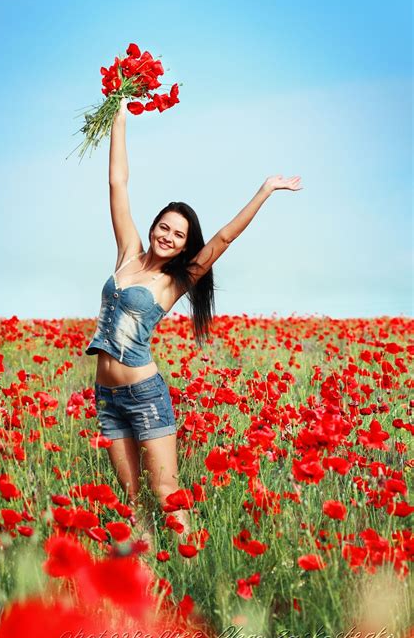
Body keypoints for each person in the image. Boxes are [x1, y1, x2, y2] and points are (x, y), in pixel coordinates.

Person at [85, 97, 302, 546]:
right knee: (130, 497)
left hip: (145, 394)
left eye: (178, 235)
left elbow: (223, 237)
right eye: (164, 227)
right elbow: (117, 182)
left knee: (165, 491)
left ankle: (188, 562)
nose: (167, 236)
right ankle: (145, 586)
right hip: (107, 394)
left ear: (185, 246)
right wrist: (119, 114)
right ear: (154, 226)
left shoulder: (174, 282)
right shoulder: (127, 252)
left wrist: (265, 190)